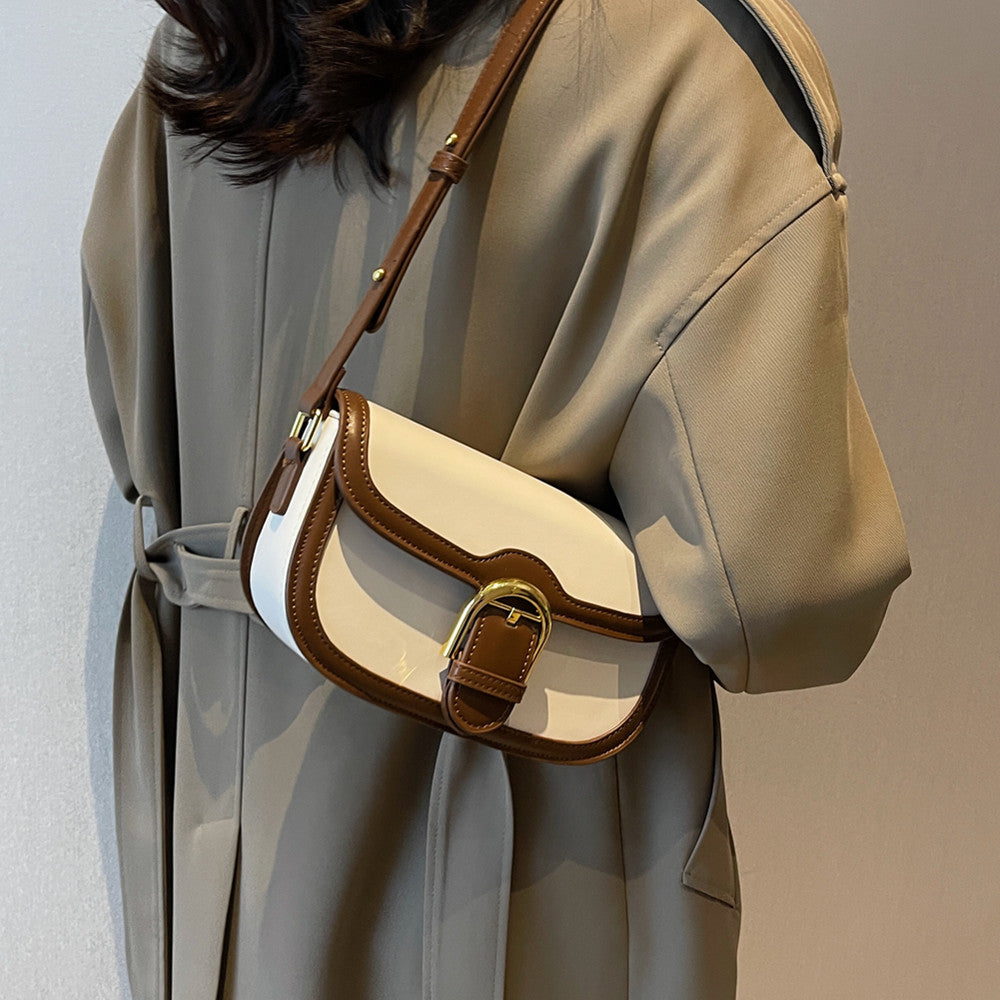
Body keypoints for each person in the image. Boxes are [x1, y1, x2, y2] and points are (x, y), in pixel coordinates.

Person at [81, 0, 912, 996]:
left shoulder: (215, 43)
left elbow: (132, 423)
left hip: (216, 846)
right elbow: (783, 597)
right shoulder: (680, 53)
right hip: (519, 888)